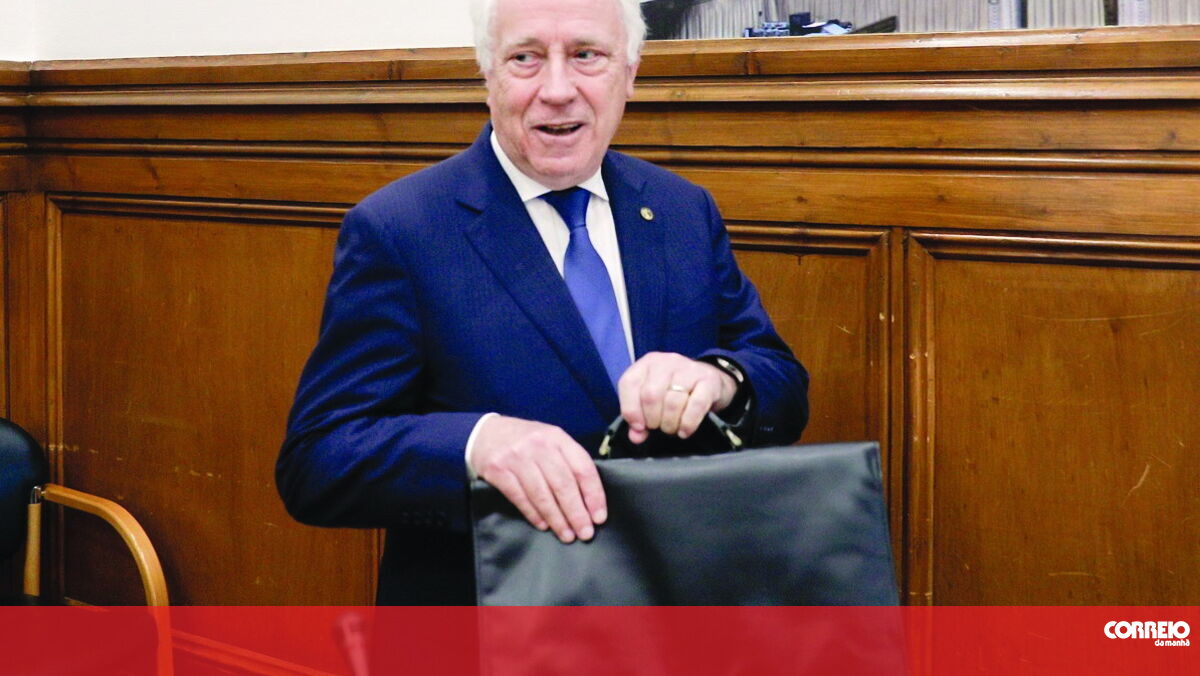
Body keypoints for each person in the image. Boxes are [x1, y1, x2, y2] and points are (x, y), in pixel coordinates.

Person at [277, 0, 809, 605]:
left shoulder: (682, 208)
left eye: (586, 55)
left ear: (629, 73)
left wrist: (720, 382)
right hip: (494, 623)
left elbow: (782, 384)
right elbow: (318, 460)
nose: (557, 89)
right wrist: (476, 445)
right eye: (526, 58)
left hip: (678, 608)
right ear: (489, 75)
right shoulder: (399, 230)